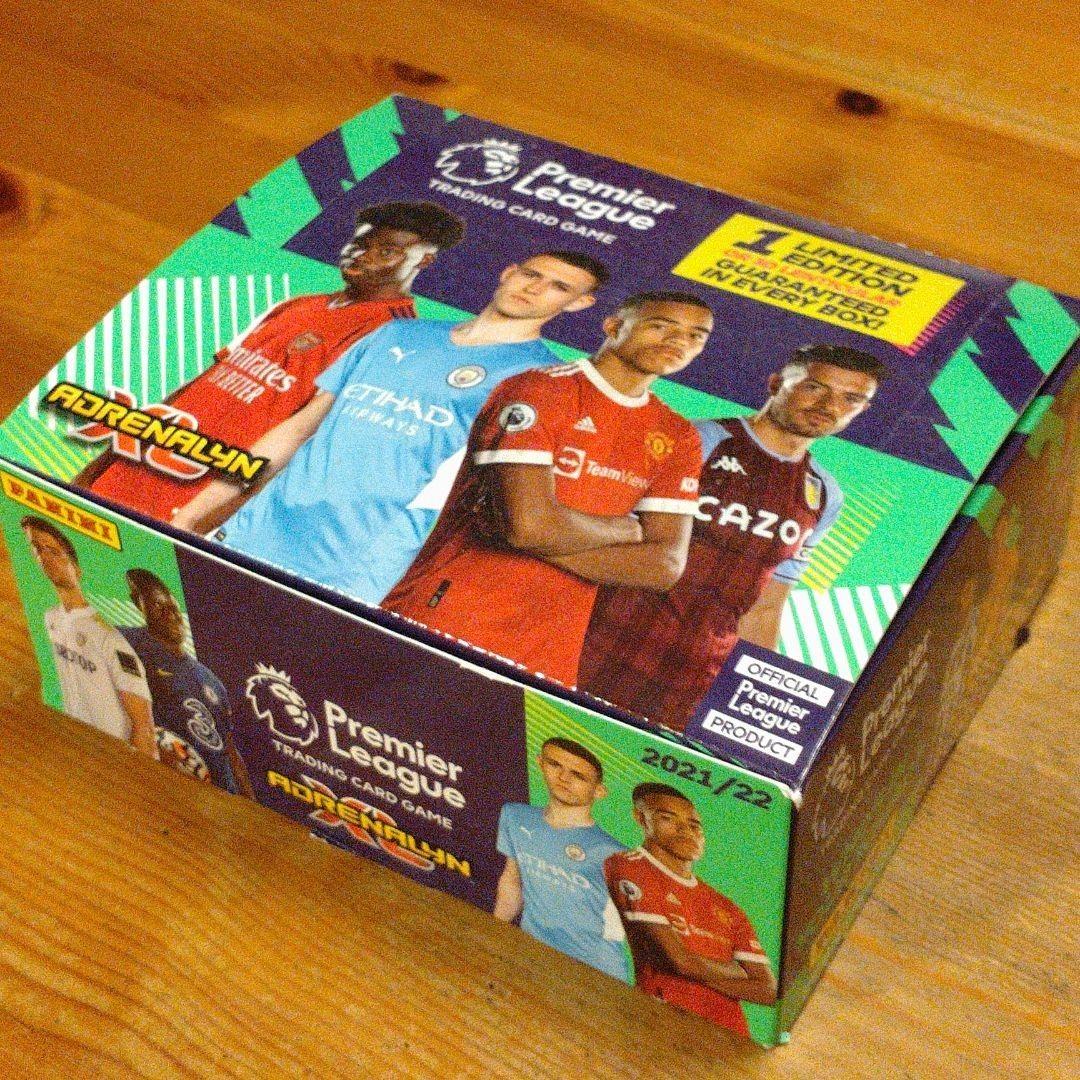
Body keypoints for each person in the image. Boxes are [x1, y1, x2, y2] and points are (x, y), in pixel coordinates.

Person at [173, 251, 609, 604]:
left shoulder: (542, 381)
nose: (534, 288)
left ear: (578, 304)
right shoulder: (396, 334)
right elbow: (298, 428)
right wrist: (195, 511)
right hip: (258, 528)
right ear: (508, 271)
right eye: (530, 274)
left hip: (359, 566)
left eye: (559, 287)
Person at [382, 291, 710, 688]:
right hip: (452, 610)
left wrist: (537, 532)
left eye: (696, 336)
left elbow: (664, 566)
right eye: (661, 326)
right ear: (613, 326)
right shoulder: (538, 391)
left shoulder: (677, 434)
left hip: (549, 646)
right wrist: (620, 530)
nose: (678, 341)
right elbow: (528, 527)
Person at [75, 201, 466, 522]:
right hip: (136, 465)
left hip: (192, 496)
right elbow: (205, 382)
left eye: (386, 252)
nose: (363, 257)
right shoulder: (299, 304)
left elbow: (309, 444)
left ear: (424, 261)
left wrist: (210, 519)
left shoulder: (393, 337)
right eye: (361, 244)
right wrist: (103, 460)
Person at [579, 344, 888, 730]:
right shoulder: (696, 441)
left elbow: (766, 607)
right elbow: (596, 533)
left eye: (850, 399)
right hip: (598, 645)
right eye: (814, 387)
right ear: (776, 383)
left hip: (692, 685)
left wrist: (751, 700)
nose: (829, 406)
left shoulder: (823, 494)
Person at [604, 783, 776, 1036]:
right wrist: (739, 972)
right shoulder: (629, 867)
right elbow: (679, 961)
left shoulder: (727, 907)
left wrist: (698, 969)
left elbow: (769, 991)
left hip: (733, 1034)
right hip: (666, 1022)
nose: (685, 831)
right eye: (668, 818)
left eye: (694, 825)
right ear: (641, 818)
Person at [494, 738, 630, 982]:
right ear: (540, 763)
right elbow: (512, 881)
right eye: (555, 765)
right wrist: (494, 934)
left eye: (578, 775)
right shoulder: (515, 816)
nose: (564, 778)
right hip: (532, 953)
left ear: (599, 791)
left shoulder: (616, 853)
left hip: (597, 970)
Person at [20, 516, 156, 758]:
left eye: (54, 551)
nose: (45, 558)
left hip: (114, 756)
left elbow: (143, 726)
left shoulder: (110, 639)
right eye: (38, 549)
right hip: (77, 747)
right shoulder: (50, 618)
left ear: (77, 568)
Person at [120, 568, 253, 797]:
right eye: (158, 606)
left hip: (221, 795)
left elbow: (230, 751)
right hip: (167, 784)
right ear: (139, 605)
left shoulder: (210, 681)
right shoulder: (128, 642)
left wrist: (250, 800)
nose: (170, 614)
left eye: (172, 607)